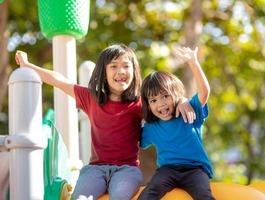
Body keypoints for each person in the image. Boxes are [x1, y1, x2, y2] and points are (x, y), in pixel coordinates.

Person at [15, 44, 195, 200]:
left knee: (119, 196)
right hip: (95, 169)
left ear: (134, 71)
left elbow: (164, 99)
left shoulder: (140, 102)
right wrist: (28, 65)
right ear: (104, 72)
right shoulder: (91, 98)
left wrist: (183, 100)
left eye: (126, 66)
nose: (121, 71)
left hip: (127, 169)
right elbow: (59, 80)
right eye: (114, 66)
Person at [138, 46, 215, 200]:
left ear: (176, 95)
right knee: (148, 194)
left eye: (165, 96)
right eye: (153, 100)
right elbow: (134, 139)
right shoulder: (151, 127)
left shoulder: (188, 111)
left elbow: (204, 93)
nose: (161, 104)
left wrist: (194, 63)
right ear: (148, 104)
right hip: (168, 170)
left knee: (204, 195)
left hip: (195, 169)